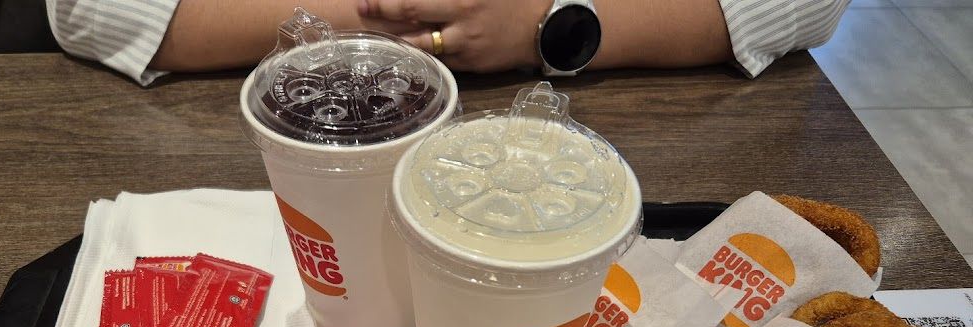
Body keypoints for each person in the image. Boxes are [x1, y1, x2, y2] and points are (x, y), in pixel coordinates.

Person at [46, 0, 849, 87]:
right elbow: (89, 7)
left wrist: (550, 26)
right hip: (289, 122)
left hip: (608, 120)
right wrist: (389, 21)